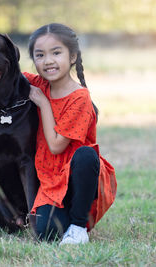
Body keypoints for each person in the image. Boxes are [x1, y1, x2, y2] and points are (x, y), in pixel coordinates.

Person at [24, 23, 117, 245]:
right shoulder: (38, 83)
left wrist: (43, 104)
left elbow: (56, 146)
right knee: (46, 234)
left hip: (78, 177)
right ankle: (61, 219)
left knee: (86, 155)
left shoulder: (79, 98)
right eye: (40, 55)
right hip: (50, 179)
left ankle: (78, 226)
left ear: (72, 56)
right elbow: (7, 75)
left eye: (56, 53)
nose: (48, 61)